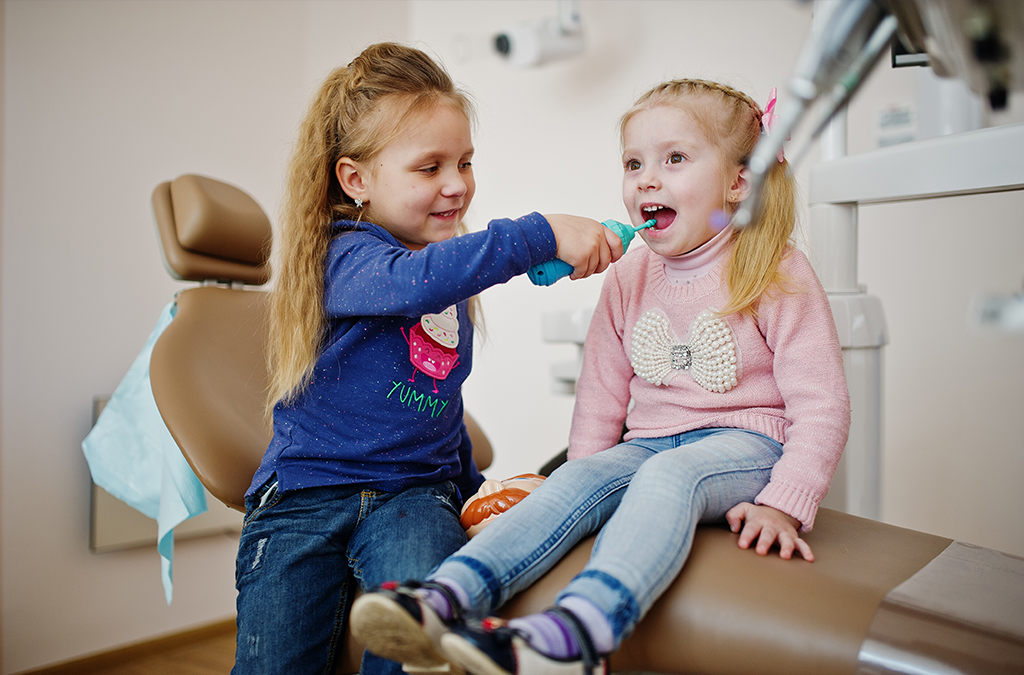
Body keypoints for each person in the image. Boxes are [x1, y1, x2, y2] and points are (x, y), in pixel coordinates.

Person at [349, 78, 852, 675]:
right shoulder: (629, 276)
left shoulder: (775, 270)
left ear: (738, 182)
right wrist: (583, 484)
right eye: (633, 163)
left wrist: (784, 505)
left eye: (675, 159)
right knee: (564, 477)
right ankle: (443, 598)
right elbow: (601, 397)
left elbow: (822, 406)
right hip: (646, 445)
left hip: (746, 445)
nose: (646, 179)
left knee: (669, 476)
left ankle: (579, 637)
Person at [232, 42, 621, 675]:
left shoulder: (445, 282)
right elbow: (415, 280)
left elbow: (437, 407)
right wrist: (539, 233)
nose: (457, 184)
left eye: (465, 162)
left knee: (421, 638)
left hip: (414, 496)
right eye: (430, 167)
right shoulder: (344, 258)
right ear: (356, 179)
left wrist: (471, 494)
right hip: (305, 497)